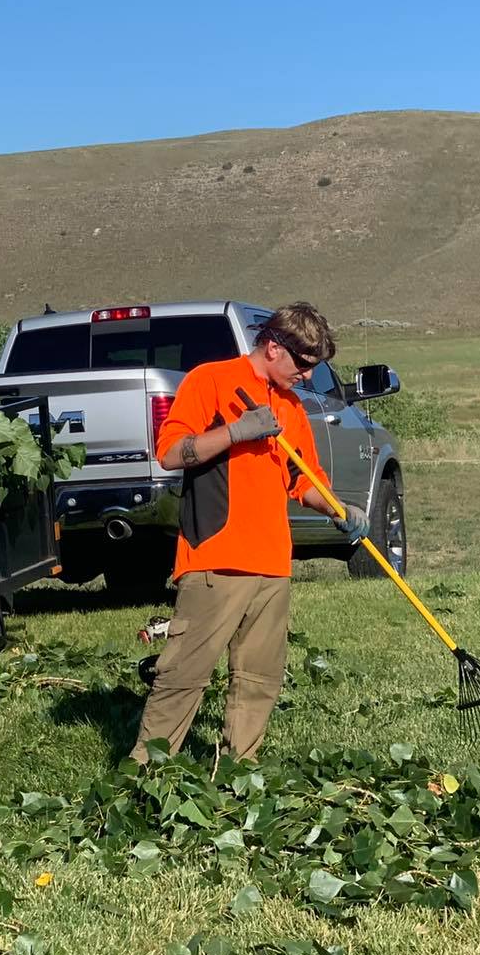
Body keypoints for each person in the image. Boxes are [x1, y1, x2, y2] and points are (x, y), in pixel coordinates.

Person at [129, 301, 370, 765]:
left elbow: (304, 480)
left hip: (272, 564)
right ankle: (146, 773)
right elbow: (171, 453)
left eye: (314, 369)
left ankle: (241, 773)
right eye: (303, 366)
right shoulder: (211, 380)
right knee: (183, 674)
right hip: (216, 558)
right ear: (274, 348)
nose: (307, 376)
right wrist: (236, 431)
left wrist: (341, 509)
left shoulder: (292, 407)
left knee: (259, 680)